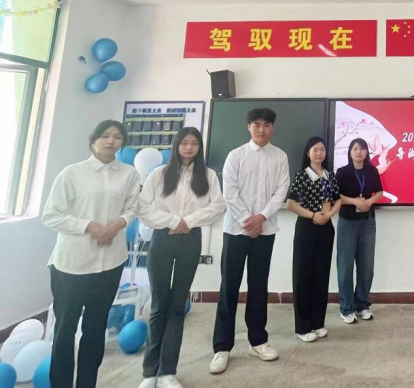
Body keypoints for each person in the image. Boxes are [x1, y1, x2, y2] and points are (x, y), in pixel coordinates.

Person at [42, 120, 140, 388]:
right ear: (93, 139)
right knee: (65, 330)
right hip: (72, 264)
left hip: (110, 262)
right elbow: (51, 215)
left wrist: (117, 224)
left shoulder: (129, 174)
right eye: (105, 135)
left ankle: (87, 383)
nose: (111, 141)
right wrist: (90, 226)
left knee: (95, 329)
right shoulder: (72, 173)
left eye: (117, 137)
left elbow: (133, 207)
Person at [137, 128, 226, 388]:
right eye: (184, 143)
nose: (189, 148)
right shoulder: (159, 174)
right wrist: (174, 221)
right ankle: (149, 373)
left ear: (200, 147)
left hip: (190, 239)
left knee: (177, 305)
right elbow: (143, 207)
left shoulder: (208, 175)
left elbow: (218, 205)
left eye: (194, 143)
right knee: (159, 304)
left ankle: (168, 372)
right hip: (162, 238)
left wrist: (188, 221)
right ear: (177, 145)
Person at [210, 108, 290, 374]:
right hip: (236, 230)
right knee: (229, 287)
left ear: (273, 128)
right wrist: (249, 220)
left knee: (258, 286)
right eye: (256, 124)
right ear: (248, 127)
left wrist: (262, 218)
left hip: (265, 231)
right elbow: (229, 192)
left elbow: (281, 191)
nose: (261, 129)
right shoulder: (236, 155)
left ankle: (258, 342)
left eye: (266, 125)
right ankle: (222, 347)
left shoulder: (280, 157)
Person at [288, 137, 342, 341]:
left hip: (326, 228)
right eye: (315, 150)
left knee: (321, 275)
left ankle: (318, 323)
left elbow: (337, 200)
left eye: (322, 150)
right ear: (308, 153)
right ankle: (303, 327)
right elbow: (291, 204)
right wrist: (313, 215)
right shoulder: (302, 175)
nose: (319, 153)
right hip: (307, 227)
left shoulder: (330, 176)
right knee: (303, 276)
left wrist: (330, 213)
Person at [335, 138, 384, 324]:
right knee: (345, 265)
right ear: (350, 151)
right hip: (348, 222)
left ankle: (362, 304)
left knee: (366, 265)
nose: (359, 152)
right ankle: (346, 308)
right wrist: (355, 201)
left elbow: (379, 192)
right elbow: (336, 196)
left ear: (366, 152)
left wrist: (369, 202)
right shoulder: (342, 172)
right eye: (355, 148)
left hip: (368, 222)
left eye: (362, 149)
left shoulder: (371, 171)